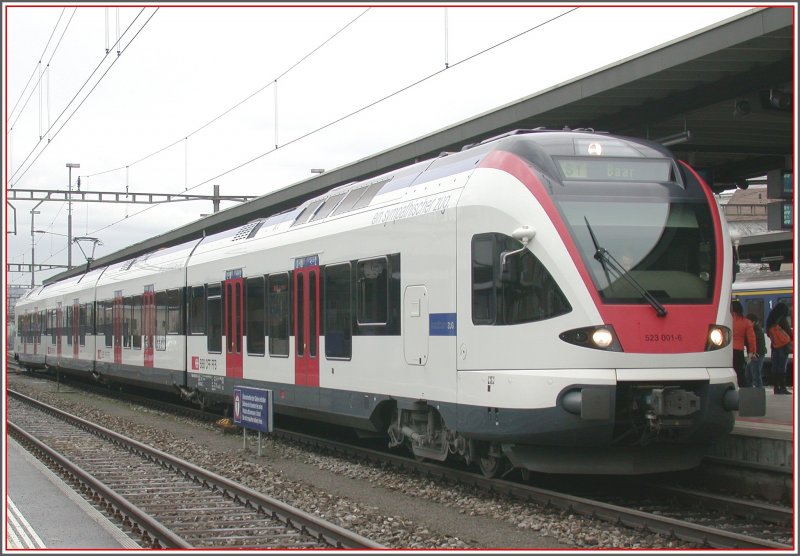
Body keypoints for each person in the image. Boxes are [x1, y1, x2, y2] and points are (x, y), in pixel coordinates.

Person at [766, 302, 793, 395]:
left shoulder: (770, 320)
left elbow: (769, 334)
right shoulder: (782, 320)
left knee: (775, 367)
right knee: (782, 367)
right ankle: (783, 387)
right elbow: (789, 332)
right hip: (783, 347)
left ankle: (776, 388)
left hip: (774, 346)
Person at [731, 300, 756, 388]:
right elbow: (751, 339)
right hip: (738, 350)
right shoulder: (746, 322)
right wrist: (752, 352)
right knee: (740, 373)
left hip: (725, 350)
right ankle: (743, 392)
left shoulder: (726, 319)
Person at [745, 313, 766, 388]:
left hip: (757, 354)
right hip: (753, 354)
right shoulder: (755, 329)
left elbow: (751, 341)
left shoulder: (756, 330)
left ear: (753, 322)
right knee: (749, 374)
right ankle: (750, 390)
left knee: (755, 374)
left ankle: (759, 390)